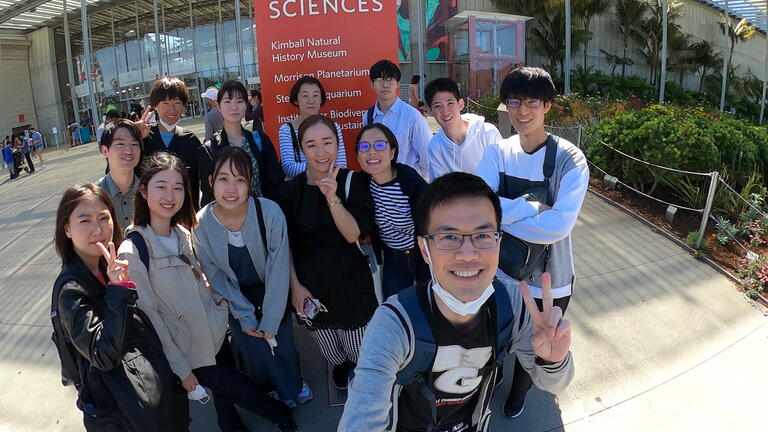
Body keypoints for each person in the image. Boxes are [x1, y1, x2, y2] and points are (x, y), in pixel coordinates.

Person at [339, 172, 574, 431]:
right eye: (449, 237)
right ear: (425, 250)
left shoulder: (513, 305)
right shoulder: (395, 323)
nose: (467, 254)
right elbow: (362, 415)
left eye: (483, 236)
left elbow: (554, 384)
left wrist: (553, 360)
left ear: (499, 243)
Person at [117, 152, 298, 432]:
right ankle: (281, 415)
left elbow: (207, 279)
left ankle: (232, 426)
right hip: (187, 349)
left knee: (225, 400)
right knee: (241, 389)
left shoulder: (183, 232)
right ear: (143, 190)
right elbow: (150, 317)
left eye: (178, 187)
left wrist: (222, 304)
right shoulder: (134, 250)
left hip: (214, 334)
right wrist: (182, 369)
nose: (170, 195)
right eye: (161, 186)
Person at [476, 66, 589, 417]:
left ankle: (519, 390)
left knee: (540, 344)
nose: (522, 112)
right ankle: (491, 377)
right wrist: (532, 208)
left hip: (550, 280)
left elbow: (559, 225)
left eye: (531, 102)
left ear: (548, 106)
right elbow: (480, 206)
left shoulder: (569, 159)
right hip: (500, 273)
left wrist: (501, 219)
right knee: (493, 334)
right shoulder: (498, 151)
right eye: (513, 102)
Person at [51, 183, 188, 431]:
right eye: (85, 221)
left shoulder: (107, 266)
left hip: (147, 393)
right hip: (121, 412)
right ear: (67, 229)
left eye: (104, 218)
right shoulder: (70, 290)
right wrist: (118, 290)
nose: (98, 229)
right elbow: (103, 355)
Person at [194, 146, 312, 410]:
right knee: (251, 347)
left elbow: (279, 266)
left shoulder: (269, 212)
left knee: (281, 342)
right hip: (235, 296)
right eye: (223, 179)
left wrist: (270, 316)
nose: (231, 188)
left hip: (273, 290)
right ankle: (269, 389)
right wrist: (244, 314)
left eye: (240, 180)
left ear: (250, 183)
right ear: (211, 181)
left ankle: (294, 386)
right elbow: (214, 275)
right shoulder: (201, 223)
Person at [274, 115, 377, 391]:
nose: (321, 152)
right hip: (311, 288)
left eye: (327, 142)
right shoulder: (288, 192)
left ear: (337, 143)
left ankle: (363, 375)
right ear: (301, 149)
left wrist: (332, 198)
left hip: (350, 282)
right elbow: (284, 247)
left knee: (359, 348)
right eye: (311, 145)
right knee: (331, 350)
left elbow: (353, 234)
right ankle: (343, 368)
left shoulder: (353, 182)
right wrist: (295, 287)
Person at [355, 123, 429, 299]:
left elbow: (432, 219)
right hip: (393, 257)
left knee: (429, 305)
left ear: (392, 152)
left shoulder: (411, 183)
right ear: (358, 155)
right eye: (364, 146)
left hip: (423, 255)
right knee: (395, 308)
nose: (372, 151)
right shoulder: (362, 183)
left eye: (380, 145)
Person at [142, 76, 212, 209]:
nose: (172, 110)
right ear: (155, 106)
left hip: (185, 219)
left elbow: (205, 181)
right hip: (152, 220)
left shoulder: (191, 141)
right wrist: (132, 137)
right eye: (166, 103)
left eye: (177, 103)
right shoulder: (144, 140)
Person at [207, 80, 284, 200]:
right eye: (227, 101)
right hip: (228, 215)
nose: (234, 107)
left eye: (239, 101)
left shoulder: (260, 140)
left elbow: (276, 180)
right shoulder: (211, 147)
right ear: (219, 106)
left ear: (246, 104)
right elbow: (208, 195)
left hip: (261, 214)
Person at [362, 60, 432, 180]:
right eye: (379, 80)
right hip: (378, 187)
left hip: (408, 187)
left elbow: (427, 157)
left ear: (398, 83)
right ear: (372, 84)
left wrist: (413, 181)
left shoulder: (412, 116)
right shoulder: (368, 116)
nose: (385, 85)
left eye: (390, 80)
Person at [426, 78, 502, 179]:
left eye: (450, 103)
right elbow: (439, 188)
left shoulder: (487, 133)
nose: (445, 111)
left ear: (461, 104)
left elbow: (503, 174)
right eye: (437, 106)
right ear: (430, 111)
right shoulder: (435, 146)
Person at [278, 76, 347, 179]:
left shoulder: (334, 127)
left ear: (321, 99)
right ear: (296, 100)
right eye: (305, 96)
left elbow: (341, 165)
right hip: (301, 189)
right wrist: (322, 166)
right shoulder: (287, 130)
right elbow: (289, 168)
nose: (311, 101)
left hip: (331, 185)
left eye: (315, 95)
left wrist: (316, 167)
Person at [97, 119, 141, 231]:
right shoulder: (95, 195)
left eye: (134, 144)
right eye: (120, 144)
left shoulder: (148, 192)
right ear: (105, 151)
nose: (128, 150)